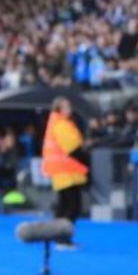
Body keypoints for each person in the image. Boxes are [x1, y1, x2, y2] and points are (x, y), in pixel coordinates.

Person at [41, 97, 88, 247]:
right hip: (67, 171)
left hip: (62, 170)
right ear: (58, 109)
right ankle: (62, 238)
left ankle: (58, 236)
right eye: (66, 106)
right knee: (72, 206)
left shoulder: (57, 123)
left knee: (64, 205)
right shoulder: (61, 124)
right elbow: (74, 149)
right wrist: (87, 156)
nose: (70, 109)